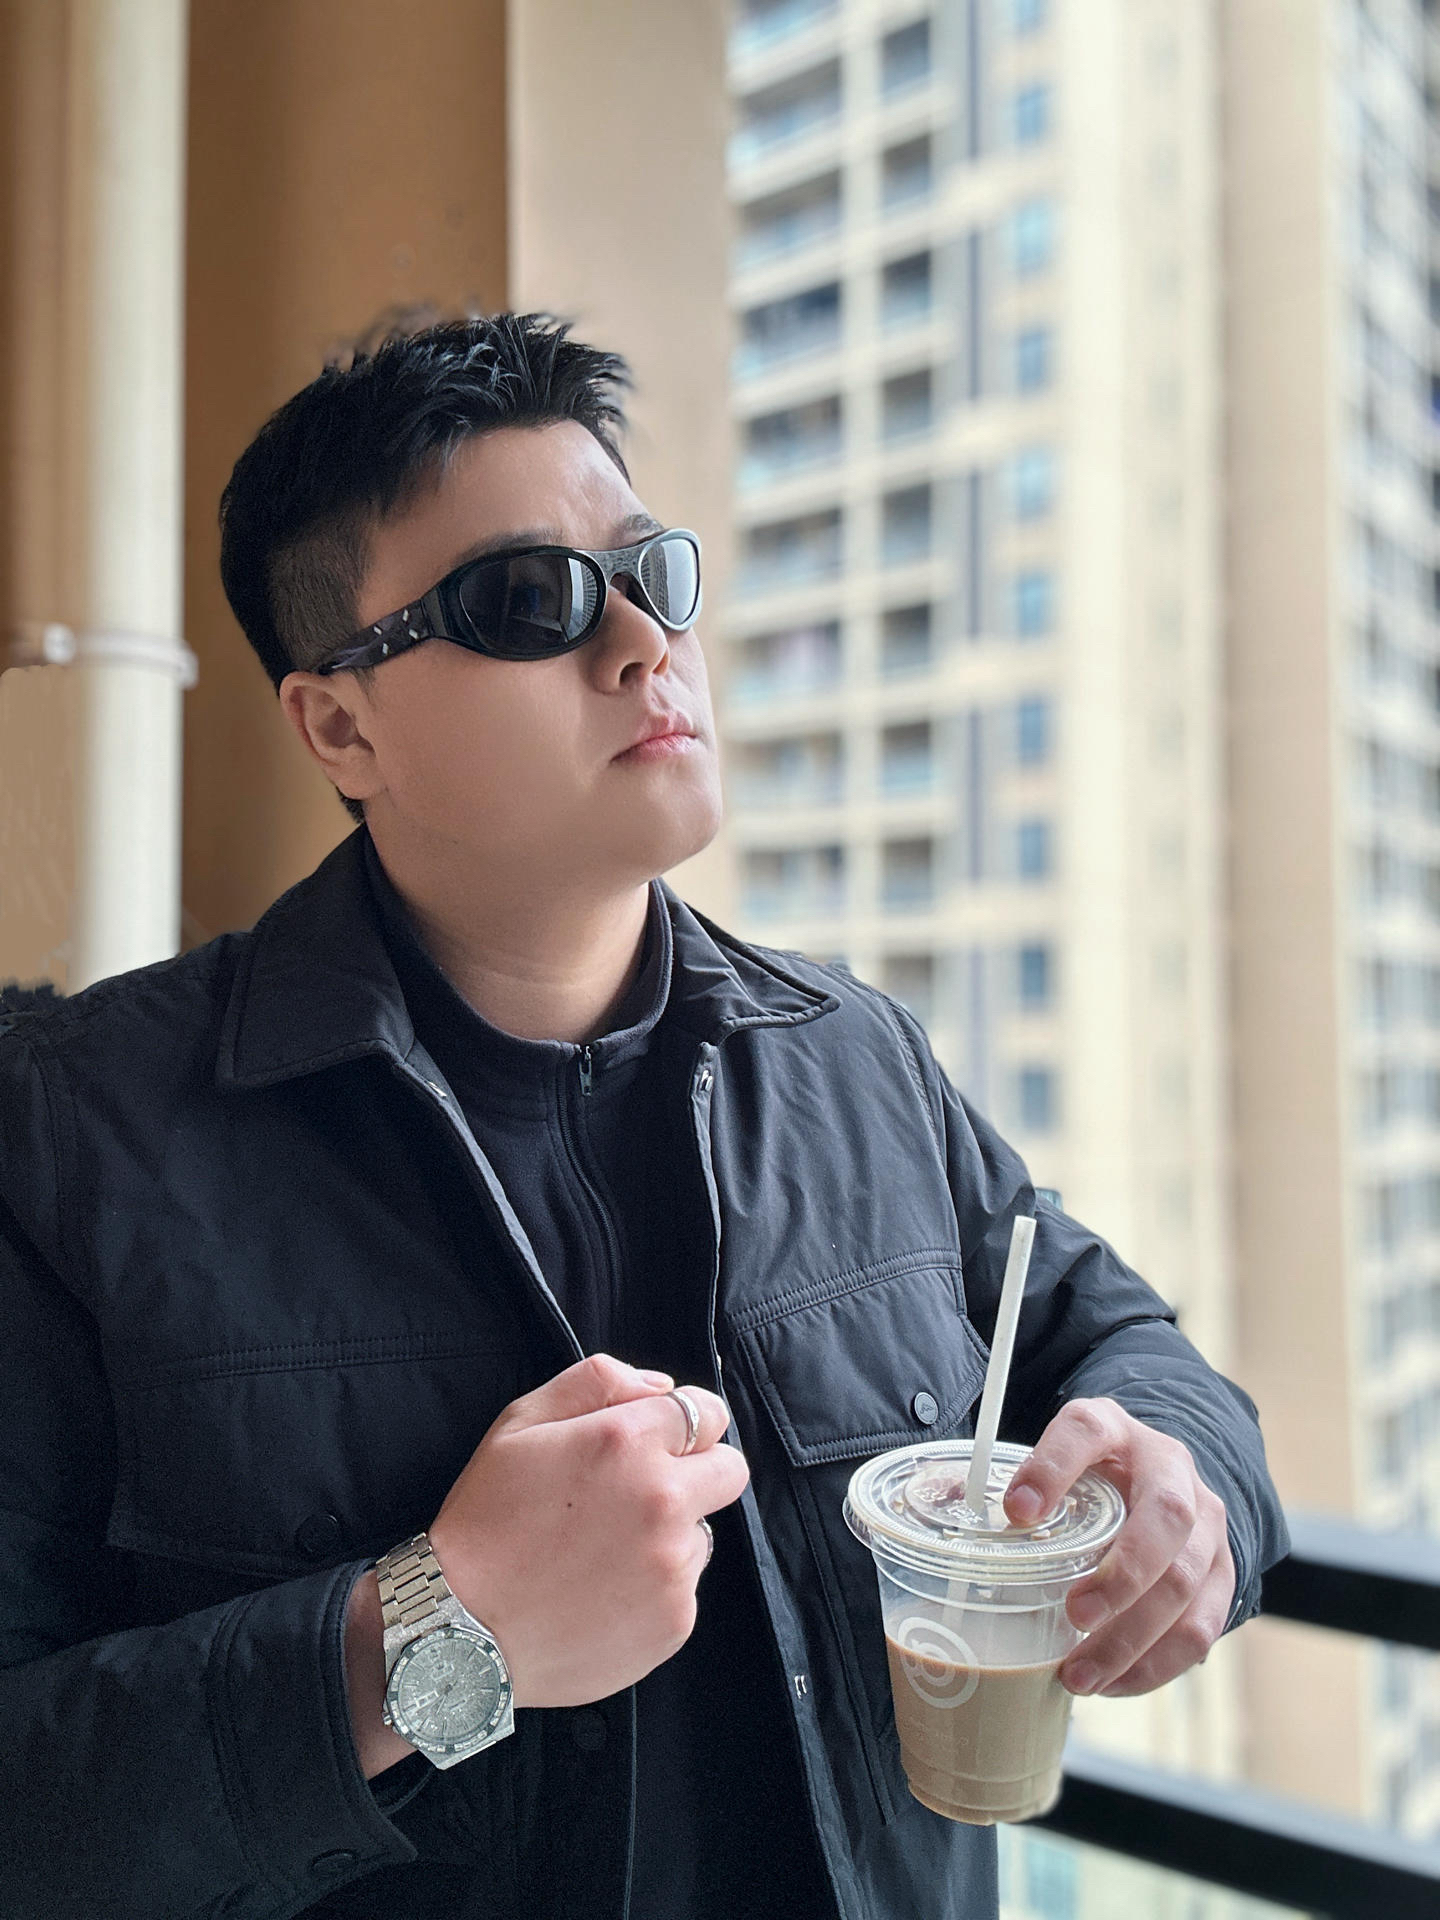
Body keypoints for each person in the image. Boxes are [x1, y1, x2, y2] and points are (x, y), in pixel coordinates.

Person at [0, 313, 1288, 1920]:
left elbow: (1125, 1342)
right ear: (341, 726)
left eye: (650, 573)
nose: (639, 641)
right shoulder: (72, 1136)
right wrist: (431, 1633)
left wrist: (1189, 1487)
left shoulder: (855, 1060)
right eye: (527, 600)